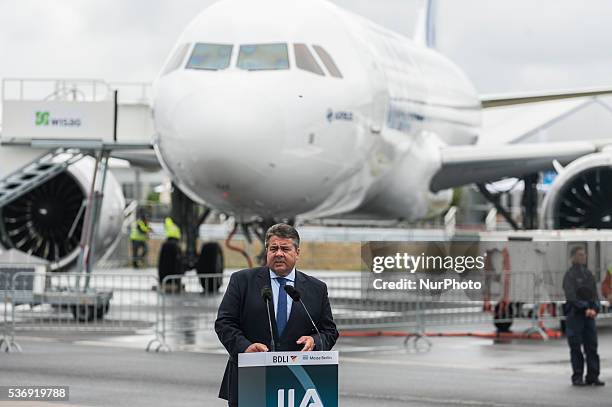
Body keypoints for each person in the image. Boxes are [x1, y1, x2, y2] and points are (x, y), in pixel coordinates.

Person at [215, 223, 338, 406]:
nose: (279, 253)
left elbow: (329, 331)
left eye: (285, 248)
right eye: (273, 248)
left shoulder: (316, 289)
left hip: (297, 384)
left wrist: (315, 341)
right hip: (250, 378)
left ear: (297, 252)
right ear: (267, 252)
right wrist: (245, 347)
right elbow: (224, 323)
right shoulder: (242, 281)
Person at [563, 246, 605, 386]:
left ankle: (593, 376)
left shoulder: (588, 274)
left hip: (589, 316)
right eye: (580, 255)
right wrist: (584, 308)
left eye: (584, 255)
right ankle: (577, 376)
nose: (583, 257)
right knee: (576, 347)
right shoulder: (569, 275)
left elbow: (594, 294)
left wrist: (595, 308)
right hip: (575, 316)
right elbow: (571, 296)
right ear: (572, 257)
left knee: (591, 346)